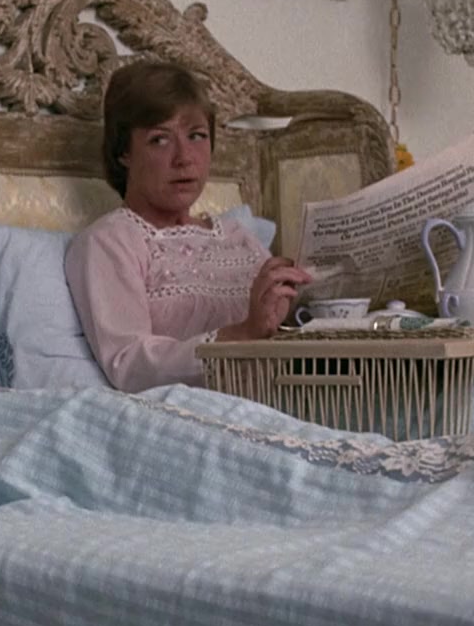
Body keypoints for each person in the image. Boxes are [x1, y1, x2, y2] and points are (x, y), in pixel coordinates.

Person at [65, 60, 311, 393]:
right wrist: (241, 334)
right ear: (124, 152)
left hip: (288, 395)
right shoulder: (110, 241)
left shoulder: (238, 237)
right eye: (159, 140)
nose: (184, 157)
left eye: (197, 136)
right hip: (191, 409)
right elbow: (129, 363)